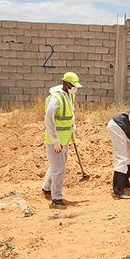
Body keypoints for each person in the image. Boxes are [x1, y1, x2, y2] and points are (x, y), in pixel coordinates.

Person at [42, 71, 82, 207]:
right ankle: (57, 198)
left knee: (57, 165)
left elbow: (70, 114)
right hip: (56, 141)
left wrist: (73, 125)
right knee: (59, 168)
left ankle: (46, 187)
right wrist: (55, 140)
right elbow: (48, 118)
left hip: (64, 139)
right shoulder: (56, 98)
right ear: (66, 83)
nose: (75, 88)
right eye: (73, 85)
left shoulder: (69, 96)